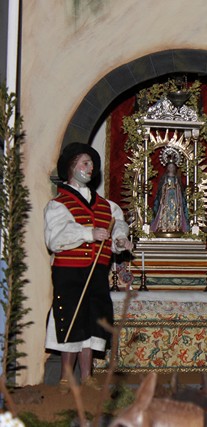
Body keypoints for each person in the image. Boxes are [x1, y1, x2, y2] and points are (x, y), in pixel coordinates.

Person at [44, 142, 133, 392]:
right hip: (70, 272)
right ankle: (65, 378)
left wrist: (120, 240)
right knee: (71, 321)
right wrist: (88, 233)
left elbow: (118, 225)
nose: (90, 167)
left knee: (93, 321)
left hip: (97, 272)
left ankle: (87, 376)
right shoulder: (58, 204)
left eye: (92, 163)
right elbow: (55, 238)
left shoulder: (107, 205)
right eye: (85, 162)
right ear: (72, 167)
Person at [150, 160, 189, 235]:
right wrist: (166, 188)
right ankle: (164, 226)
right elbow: (161, 189)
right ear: (167, 168)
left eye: (172, 167)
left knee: (175, 212)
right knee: (165, 211)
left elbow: (179, 189)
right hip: (166, 199)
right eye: (170, 167)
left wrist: (176, 188)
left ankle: (175, 226)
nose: (171, 168)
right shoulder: (165, 179)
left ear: (175, 168)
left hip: (175, 198)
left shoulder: (177, 179)